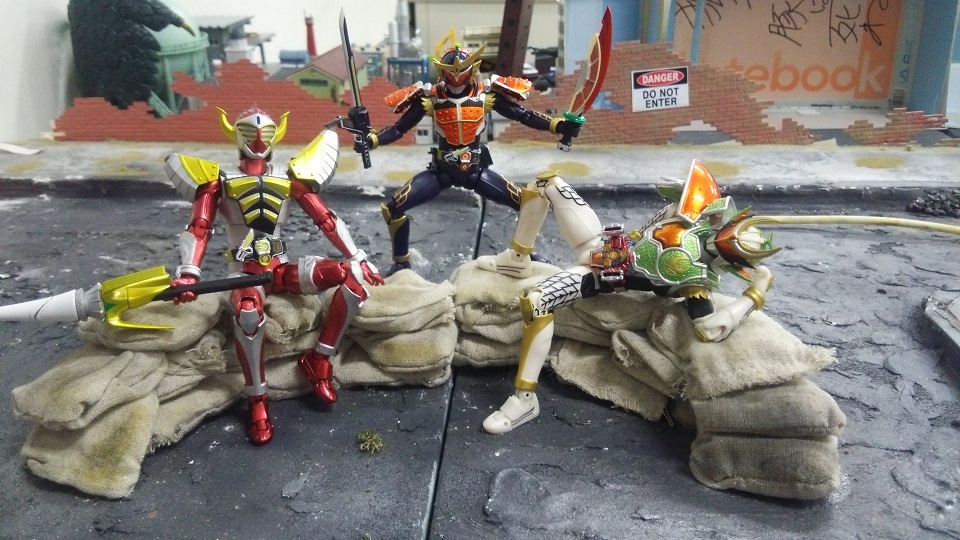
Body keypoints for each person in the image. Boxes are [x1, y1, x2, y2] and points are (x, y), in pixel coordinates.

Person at [478, 161, 778, 434]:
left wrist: (755, 293)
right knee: (546, 182)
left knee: (537, 302)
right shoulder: (692, 219)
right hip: (600, 242)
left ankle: (524, 399)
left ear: (731, 261)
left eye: (731, 246)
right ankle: (517, 258)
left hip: (598, 277)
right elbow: (680, 193)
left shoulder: (696, 282)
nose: (721, 239)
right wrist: (686, 195)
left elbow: (709, 328)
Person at [164, 107, 383, 445]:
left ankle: (319, 360)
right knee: (248, 314)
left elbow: (325, 218)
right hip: (245, 274)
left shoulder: (289, 176)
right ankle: (258, 400)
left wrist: (357, 257)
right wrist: (189, 273)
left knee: (351, 277)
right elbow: (200, 227)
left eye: (265, 133)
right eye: (248, 132)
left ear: (276, 135)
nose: (257, 139)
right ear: (234, 133)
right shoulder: (217, 179)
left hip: (280, 270)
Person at [368, 45, 582, 275]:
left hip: (475, 171)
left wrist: (557, 125)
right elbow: (399, 128)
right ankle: (401, 263)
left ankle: (522, 254)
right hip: (442, 171)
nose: (456, 76)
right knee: (393, 208)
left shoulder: (486, 95)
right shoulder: (430, 98)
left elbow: (524, 115)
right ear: (442, 71)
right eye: (451, 71)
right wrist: (373, 139)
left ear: (472, 69)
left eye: (461, 70)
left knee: (528, 206)